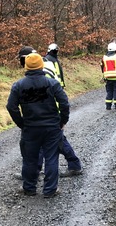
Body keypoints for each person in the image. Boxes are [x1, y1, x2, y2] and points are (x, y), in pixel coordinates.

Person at [7, 52, 69, 198]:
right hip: (52, 127)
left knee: (30, 159)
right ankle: (50, 190)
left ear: (26, 66)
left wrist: (22, 124)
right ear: (41, 65)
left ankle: (29, 188)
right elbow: (64, 103)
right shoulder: (52, 83)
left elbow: (11, 107)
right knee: (52, 158)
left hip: (30, 128)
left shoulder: (18, 85)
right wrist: (62, 121)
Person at [18, 46, 83, 178]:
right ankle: (73, 165)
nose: (20, 62)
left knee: (50, 142)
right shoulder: (45, 63)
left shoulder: (41, 69)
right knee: (57, 140)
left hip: (49, 111)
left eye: (21, 59)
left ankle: (35, 172)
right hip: (51, 111)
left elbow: (41, 93)